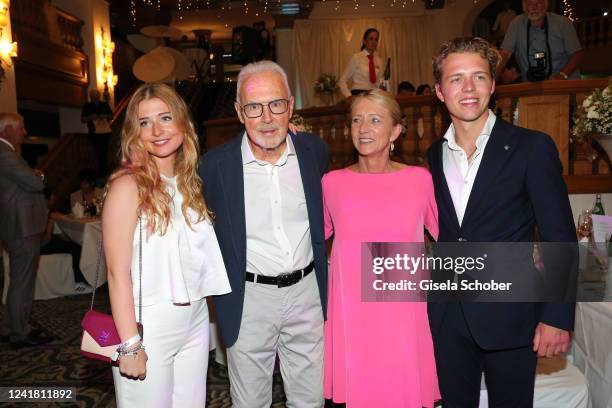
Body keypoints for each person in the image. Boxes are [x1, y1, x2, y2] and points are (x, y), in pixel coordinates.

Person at [428, 37, 576, 406]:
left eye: (478, 77)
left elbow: (560, 236)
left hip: (512, 318)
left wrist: (557, 316)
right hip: (447, 320)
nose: (468, 89)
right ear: (439, 91)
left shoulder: (532, 147)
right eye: (456, 79)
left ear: (493, 85)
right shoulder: (433, 155)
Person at [199, 60, 328, 408]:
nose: (267, 118)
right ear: (240, 112)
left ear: (290, 106)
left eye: (276, 104)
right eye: (255, 107)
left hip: (307, 294)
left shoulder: (314, 152)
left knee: (310, 399)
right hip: (248, 298)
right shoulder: (214, 166)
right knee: (250, 401)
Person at [103, 83, 231, 407]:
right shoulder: (127, 186)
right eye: (145, 123)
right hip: (149, 325)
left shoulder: (189, 183)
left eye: (165, 117)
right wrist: (130, 344)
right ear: (135, 133)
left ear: (183, 124)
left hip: (196, 318)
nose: (156, 130)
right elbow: (117, 273)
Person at [322, 89, 440, 407]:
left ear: (396, 131)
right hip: (353, 316)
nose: (364, 128)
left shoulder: (420, 180)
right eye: (357, 120)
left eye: (375, 120)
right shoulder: (331, 183)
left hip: (402, 313)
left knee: (404, 392)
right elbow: (310, 239)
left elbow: (450, 237)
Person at [0, 113, 53, 348]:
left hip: (21, 226)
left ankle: (11, 326)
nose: (24, 131)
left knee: (19, 279)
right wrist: (38, 175)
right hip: (22, 227)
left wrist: (35, 175)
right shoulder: (5, 154)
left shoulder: (8, 153)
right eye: (20, 127)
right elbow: (35, 182)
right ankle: (20, 332)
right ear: (7, 129)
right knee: (22, 280)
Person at [498, 0, 584, 82]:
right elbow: (504, 54)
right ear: (524, 6)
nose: (534, 7)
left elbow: (577, 55)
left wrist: (562, 76)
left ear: (546, 4)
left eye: (538, 3)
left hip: (565, 86)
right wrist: (496, 74)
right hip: (531, 88)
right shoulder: (516, 23)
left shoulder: (563, 23)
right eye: (530, 3)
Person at [338, 28, 384, 99]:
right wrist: (349, 96)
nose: (373, 42)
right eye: (371, 39)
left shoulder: (379, 61)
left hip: (374, 96)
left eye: (376, 39)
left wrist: (382, 88)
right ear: (364, 41)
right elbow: (342, 81)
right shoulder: (356, 57)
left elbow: (379, 82)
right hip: (359, 95)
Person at [81, 89, 113, 175]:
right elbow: (83, 119)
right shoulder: (87, 106)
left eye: (96, 96)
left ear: (99, 96)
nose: (95, 98)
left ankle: (105, 171)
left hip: (105, 131)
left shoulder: (104, 105)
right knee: (97, 152)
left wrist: (104, 116)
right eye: (93, 97)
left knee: (105, 151)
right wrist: (91, 117)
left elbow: (111, 115)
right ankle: (101, 172)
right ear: (90, 97)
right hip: (94, 132)